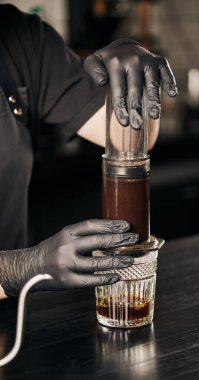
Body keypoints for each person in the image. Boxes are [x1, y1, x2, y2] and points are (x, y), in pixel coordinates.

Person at [0, 4, 177, 299]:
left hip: (13, 321)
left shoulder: (21, 39)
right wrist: (16, 268)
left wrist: (132, 73)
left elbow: (131, 138)